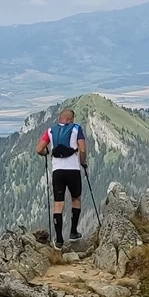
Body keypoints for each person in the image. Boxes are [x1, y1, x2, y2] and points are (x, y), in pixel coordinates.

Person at [34, 106, 88, 248]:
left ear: (60, 118)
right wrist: (83, 162)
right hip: (73, 170)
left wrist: (46, 152)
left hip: (57, 171)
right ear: (70, 119)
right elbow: (82, 149)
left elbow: (39, 149)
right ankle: (73, 232)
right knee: (76, 199)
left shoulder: (50, 130)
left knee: (58, 203)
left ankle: (58, 240)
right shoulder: (76, 129)